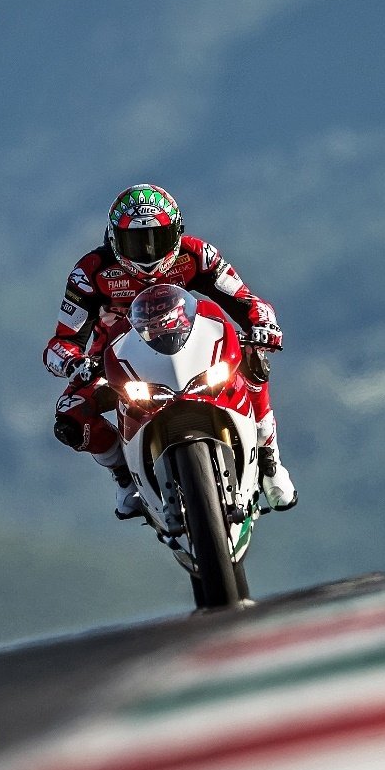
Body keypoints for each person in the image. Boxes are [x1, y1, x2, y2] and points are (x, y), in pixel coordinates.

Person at [45, 183, 297, 519]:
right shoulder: (90, 273)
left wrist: (264, 327)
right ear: (113, 240)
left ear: (177, 233)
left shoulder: (198, 255)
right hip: (119, 361)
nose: (147, 253)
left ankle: (268, 457)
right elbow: (60, 343)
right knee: (69, 416)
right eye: (136, 242)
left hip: (192, 346)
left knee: (254, 359)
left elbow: (248, 302)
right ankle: (124, 475)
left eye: (157, 239)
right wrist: (75, 363)